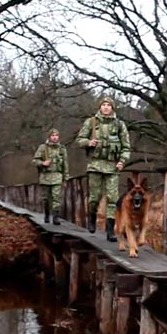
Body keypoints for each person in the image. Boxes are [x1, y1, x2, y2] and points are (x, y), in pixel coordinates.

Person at [76, 96, 130, 241]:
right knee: (94, 197)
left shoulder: (119, 125)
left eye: (108, 105)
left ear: (112, 108)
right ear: (100, 107)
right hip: (95, 165)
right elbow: (79, 140)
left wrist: (122, 161)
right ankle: (92, 218)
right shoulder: (91, 122)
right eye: (103, 105)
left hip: (112, 166)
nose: (106, 107)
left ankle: (110, 229)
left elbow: (126, 146)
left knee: (112, 198)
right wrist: (88, 142)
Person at [32, 128, 69, 224]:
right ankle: (47, 214)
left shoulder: (62, 149)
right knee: (46, 198)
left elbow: (65, 164)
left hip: (57, 175)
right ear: (49, 137)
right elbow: (35, 161)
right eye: (53, 136)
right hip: (45, 176)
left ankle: (56, 217)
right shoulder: (43, 148)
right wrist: (43, 163)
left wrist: (66, 178)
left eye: (56, 135)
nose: (55, 138)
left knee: (56, 197)